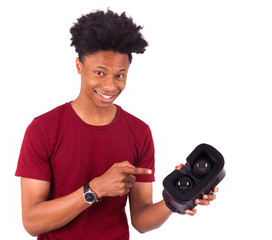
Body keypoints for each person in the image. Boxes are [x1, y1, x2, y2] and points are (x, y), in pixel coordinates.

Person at [15, 9, 217, 240]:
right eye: (100, 73)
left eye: (120, 75)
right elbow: (32, 222)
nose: (110, 86)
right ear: (79, 66)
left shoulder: (139, 132)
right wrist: (95, 190)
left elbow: (141, 220)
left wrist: (174, 201)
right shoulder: (43, 129)